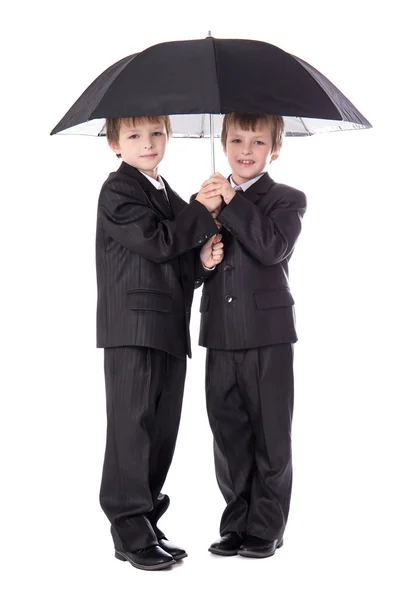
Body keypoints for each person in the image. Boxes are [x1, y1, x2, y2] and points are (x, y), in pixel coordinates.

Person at [96, 114, 223, 570]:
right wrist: (201, 210)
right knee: (132, 429)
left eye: (156, 133)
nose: (147, 143)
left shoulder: (166, 193)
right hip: (132, 327)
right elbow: (157, 241)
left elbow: (179, 267)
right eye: (134, 135)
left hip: (169, 327)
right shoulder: (118, 190)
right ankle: (128, 526)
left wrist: (204, 262)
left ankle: (144, 519)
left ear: (167, 136)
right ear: (114, 144)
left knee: (161, 431)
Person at [197, 112, 307, 558]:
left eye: (257, 143)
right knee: (229, 435)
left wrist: (233, 204)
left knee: (271, 433)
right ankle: (236, 523)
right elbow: (187, 267)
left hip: (268, 335)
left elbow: (272, 247)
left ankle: (267, 526)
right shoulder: (205, 199)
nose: (245, 151)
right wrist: (203, 256)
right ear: (224, 144)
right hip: (219, 335)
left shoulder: (287, 199)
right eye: (237, 140)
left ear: (273, 150)